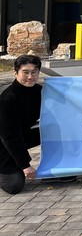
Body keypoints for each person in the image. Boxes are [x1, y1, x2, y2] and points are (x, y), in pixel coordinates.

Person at [0, 56, 43, 194]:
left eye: (34, 72)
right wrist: (25, 165)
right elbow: (10, 137)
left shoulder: (39, 91)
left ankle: (57, 166)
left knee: (54, 130)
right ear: (15, 72)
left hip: (21, 135)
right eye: (25, 72)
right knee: (14, 185)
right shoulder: (7, 99)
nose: (30, 77)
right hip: (4, 142)